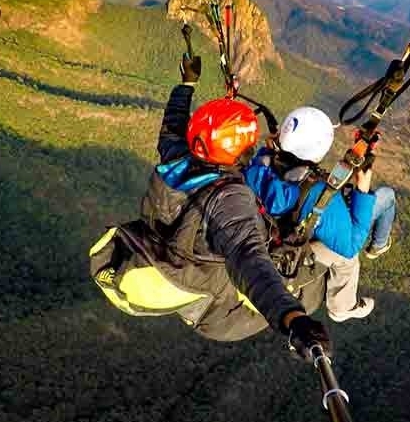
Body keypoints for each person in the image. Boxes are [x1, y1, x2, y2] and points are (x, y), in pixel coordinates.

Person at [90, 47, 331, 362]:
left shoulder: (179, 160)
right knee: (313, 280)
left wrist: (186, 85)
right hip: (222, 315)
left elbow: (172, 128)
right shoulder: (230, 200)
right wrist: (291, 318)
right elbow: (249, 261)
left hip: (187, 274)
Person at [243, 106, 397, 323]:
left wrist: (268, 151)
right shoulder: (317, 194)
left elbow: (273, 177)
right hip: (292, 249)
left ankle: (377, 246)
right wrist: (362, 188)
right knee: (352, 252)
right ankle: (342, 307)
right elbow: (350, 245)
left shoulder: (257, 166)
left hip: (270, 236)